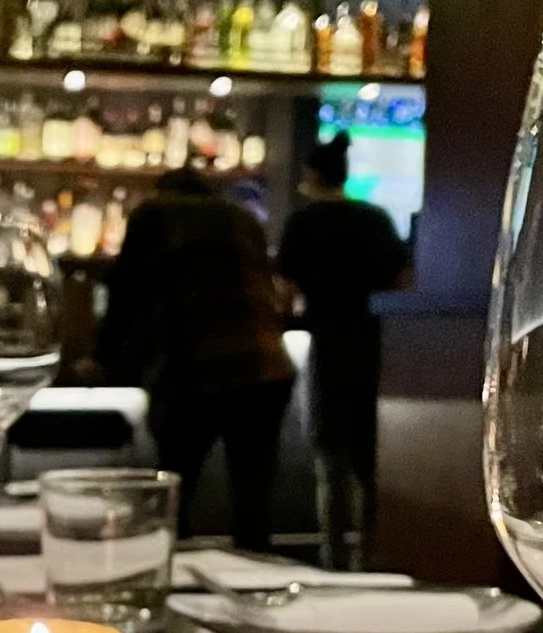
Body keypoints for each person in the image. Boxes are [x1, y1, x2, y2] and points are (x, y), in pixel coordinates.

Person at [95, 167, 293, 552]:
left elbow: (126, 288)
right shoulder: (242, 217)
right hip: (266, 367)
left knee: (174, 496)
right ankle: (253, 574)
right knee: (253, 504)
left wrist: (105, 357)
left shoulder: (155, 213)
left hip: (197, 364)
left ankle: (174, 570)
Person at [276, 132, 409, 568]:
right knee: (370, 460)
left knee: (330, 457)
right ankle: (371, 552)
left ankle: (333, 554)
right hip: (374, 345)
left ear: (313, 177)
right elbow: (402, 279)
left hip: (327, 343)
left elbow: (285, 290)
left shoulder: (303, 222)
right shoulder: (374, 218)